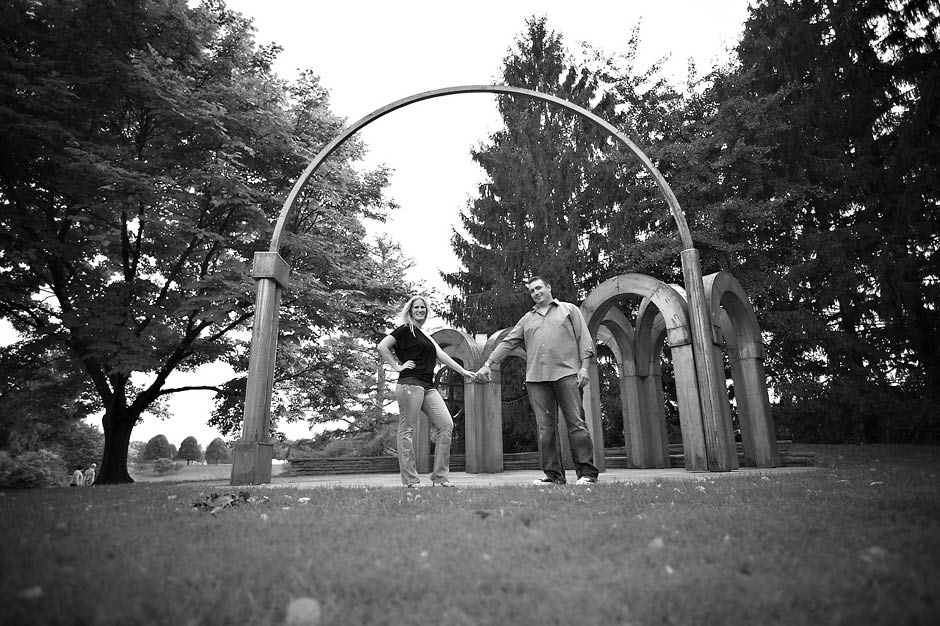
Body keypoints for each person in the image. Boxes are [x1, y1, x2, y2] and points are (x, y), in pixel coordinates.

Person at [476, 276, 600, 485]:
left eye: (539, 288)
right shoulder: (527, 319)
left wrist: (585, 368)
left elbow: (584, 340)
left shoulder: (569, 310)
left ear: (548, 287)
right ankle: (553, 476)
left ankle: (587, 474)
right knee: (545, 429)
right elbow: (508, 342)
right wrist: (488, 363)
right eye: (532, 291)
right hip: (536, 379)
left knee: (576, 424)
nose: (536, 293)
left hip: (567, 374)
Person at [378, 295, 475, 488]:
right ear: (410, 310)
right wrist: (397, 366)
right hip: (410, 384)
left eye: (423, 307)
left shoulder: (425, 336)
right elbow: (382, 346)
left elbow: (443, 356)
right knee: (407, 430)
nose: (420, 310)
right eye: (416, 307)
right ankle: (411, 480)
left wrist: (464, 372)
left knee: (446, 425)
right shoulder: (405, 329)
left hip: (428, 386)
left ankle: (440, 477)